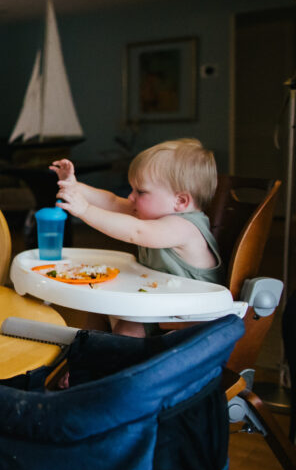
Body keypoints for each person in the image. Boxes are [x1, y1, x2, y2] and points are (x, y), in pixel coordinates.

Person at [52, 138, 224, 336]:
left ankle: (112, 363)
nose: (131, 197)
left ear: (180, 201)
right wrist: (75, 187)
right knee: (98, 308)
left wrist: (85, 210)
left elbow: (137, 232)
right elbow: (113, 201)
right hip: (159, 303)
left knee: (130, 326)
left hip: (187, 318)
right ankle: (88, 352)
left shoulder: (183, 228)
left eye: (140, 191)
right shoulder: (153, 214)